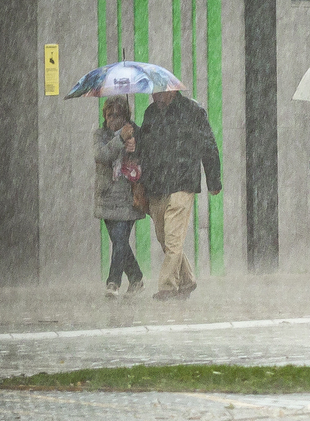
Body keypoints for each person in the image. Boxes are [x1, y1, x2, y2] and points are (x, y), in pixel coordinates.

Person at [138, 89, 221, 301]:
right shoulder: (150, 114)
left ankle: (167, 287)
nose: (155, 97)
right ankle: (187, 280)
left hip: (183, 182)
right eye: (153, 94)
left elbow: (208, 145)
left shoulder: (192, 111)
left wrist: (213, 180)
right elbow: (144, 149)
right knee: (164, 237)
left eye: (159, 93)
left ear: (172, 91)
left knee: (174, 238)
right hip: (157, 185)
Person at [94, 96, 145, 298]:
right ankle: (136, 278)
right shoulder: (100, 135)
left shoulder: (135, 132)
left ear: (126, 116)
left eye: (118, 115)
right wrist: (120, 140)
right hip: (107, 197)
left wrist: (135, 147)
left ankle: (113, 282)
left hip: (128, 197)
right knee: (119, 241)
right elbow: (101, 155)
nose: (113, 119)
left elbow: (146, 156)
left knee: (120, 239)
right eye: (109, 115)